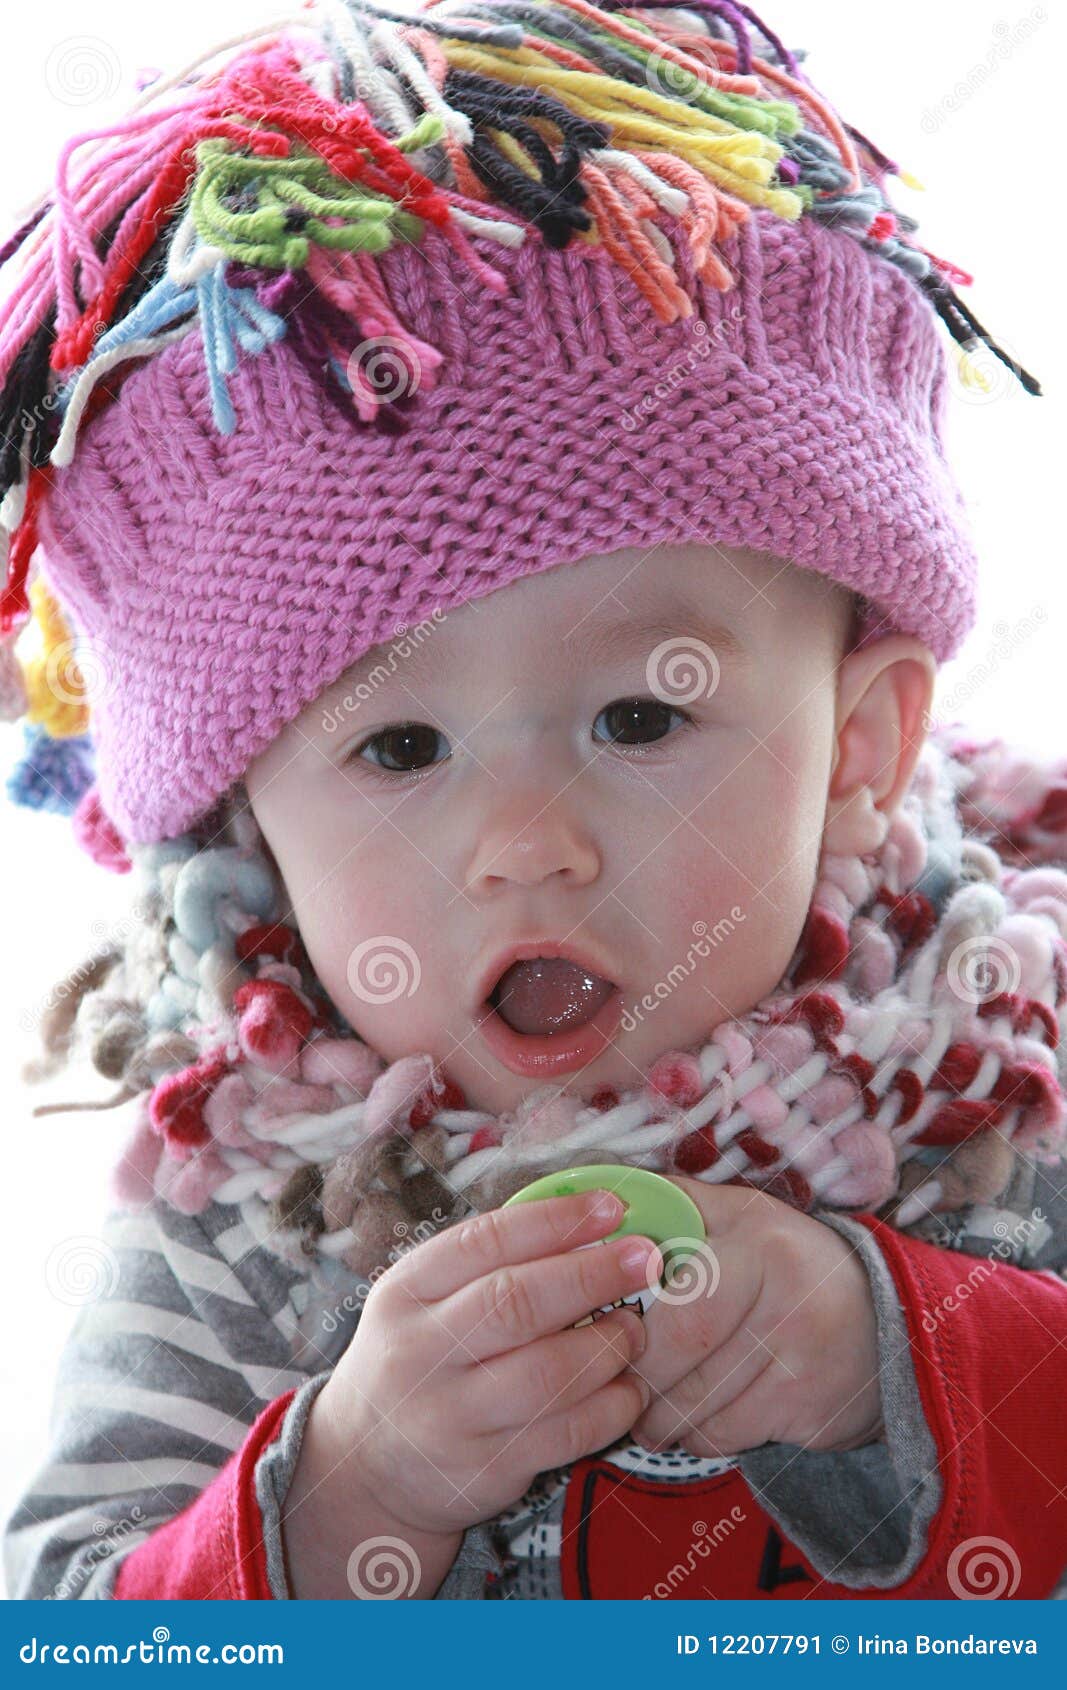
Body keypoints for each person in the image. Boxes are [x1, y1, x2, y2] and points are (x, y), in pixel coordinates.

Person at [1, 0, 1064, 1602]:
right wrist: (354, 1486)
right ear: (249, 816)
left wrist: (893, 1355)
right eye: (401, 749)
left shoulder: (1001, 1058)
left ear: (859, 748)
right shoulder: (249, 1204)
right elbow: (74, 1624)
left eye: (644, 716)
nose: (527, 846)